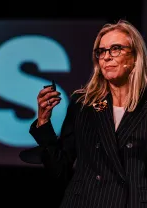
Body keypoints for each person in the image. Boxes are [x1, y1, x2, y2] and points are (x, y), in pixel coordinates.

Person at [20, 19, 147, 208]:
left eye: (115, 49)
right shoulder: (84, 104)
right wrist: (44, 122)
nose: (106, 57)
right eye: (101, 51)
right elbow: (60, 170)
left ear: (135, 56)